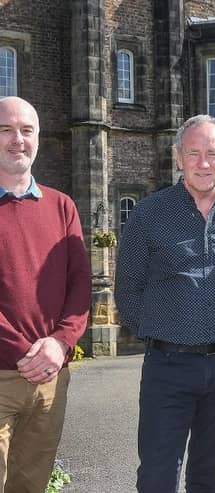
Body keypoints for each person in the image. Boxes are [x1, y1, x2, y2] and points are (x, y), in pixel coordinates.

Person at [114, 114, 215, 493]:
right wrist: (159, 328)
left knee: (211, 477)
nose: (204, 163)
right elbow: (128, 285)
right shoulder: (149, 213)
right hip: (168, 365)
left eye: (212, 153)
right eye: (194, 153)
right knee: (156, 477)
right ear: (179, 158)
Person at [0, 96, 91, 493]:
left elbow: (80, 284)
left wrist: (59, 344)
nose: (17, 139)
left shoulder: (62, 206)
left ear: (38, 139)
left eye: (26, 130)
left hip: (51, 377)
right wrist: (24, 351)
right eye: (5, 129)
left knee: (30, 485)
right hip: (2, 372)